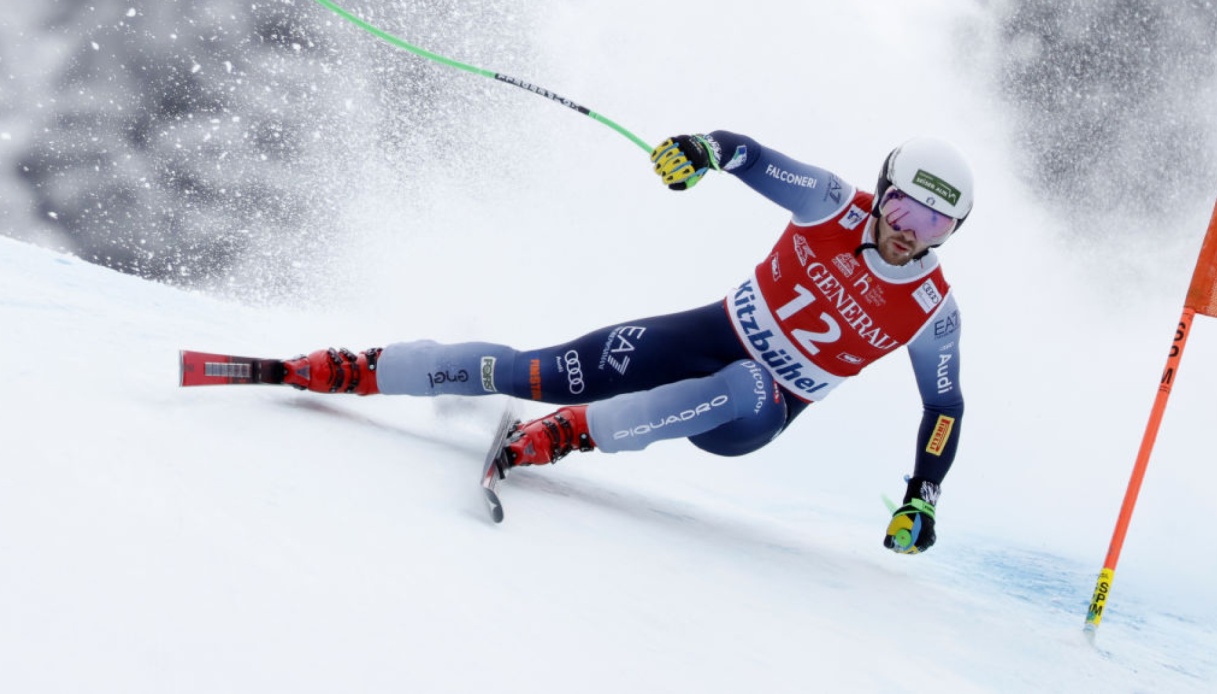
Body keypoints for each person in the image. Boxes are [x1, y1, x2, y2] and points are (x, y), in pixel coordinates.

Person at [279, 131, 972, 555]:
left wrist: (922, 497)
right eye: (902, 205)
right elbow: (748, 155)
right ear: (880, 192)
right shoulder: (827, 202)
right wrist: (702, 152)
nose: (909, 230)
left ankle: (575, 433)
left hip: (754, 412)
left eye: (933, 224)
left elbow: (944, 408)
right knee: (533, 371)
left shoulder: (930, 312)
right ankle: (365, 371)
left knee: (749, 383)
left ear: (949, 235)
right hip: (708, 334)